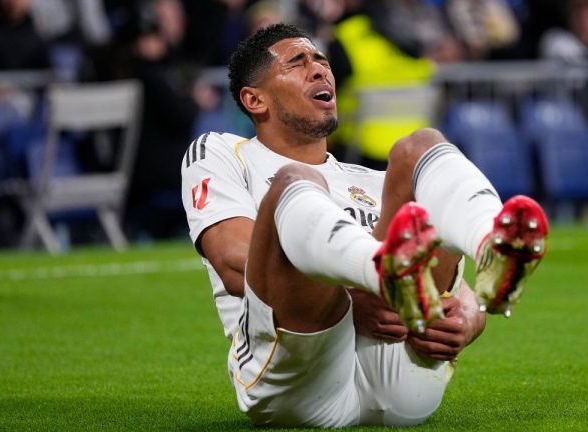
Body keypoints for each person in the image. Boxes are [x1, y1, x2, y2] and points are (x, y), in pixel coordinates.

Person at [181, 23, 548, 427]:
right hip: (296, 378)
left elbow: (450, 290)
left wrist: (468, 318)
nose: (321, 70)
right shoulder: (222, 153)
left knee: (418, 147)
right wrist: (352, 299)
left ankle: (490, 246)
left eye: (321, 61)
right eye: (298, 63)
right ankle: (381, 271)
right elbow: (236, 262)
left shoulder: (372, 182)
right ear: (255, 100)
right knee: (296, 182)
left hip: (403, 374)